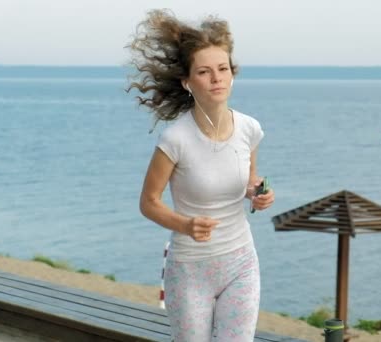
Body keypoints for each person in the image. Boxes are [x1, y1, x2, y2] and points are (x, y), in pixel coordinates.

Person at [127, 9, 275, 342]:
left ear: (233, 74)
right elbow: (148, 202)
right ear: (187, 82)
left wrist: (259, 193)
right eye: (205, 72)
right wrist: (185, 225)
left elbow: (250, 179)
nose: (216, 78)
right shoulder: (176, 139)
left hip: (241, 263)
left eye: (223, 69)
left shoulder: (250, 129)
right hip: (190, 270)